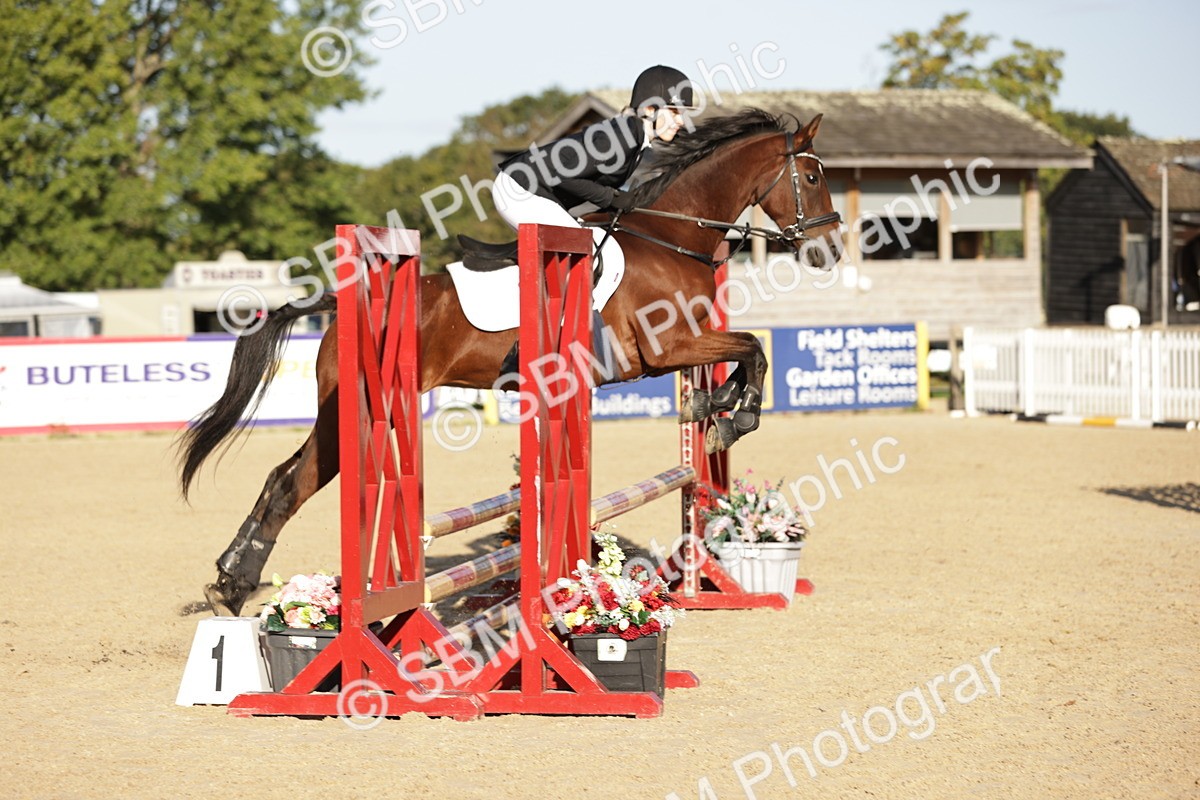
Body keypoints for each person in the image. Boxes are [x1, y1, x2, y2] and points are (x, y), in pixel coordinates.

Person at [490, 65, 699, 304]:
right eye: (674, 112)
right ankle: (567, 326)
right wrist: (612, 198)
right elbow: (562, 175)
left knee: (599, 245)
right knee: (588, 250)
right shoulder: (622, 136)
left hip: (536, 191)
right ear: (650, 109)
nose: (681, 121)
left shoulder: (635, 138)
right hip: (520, 190)